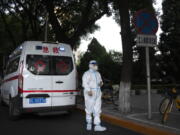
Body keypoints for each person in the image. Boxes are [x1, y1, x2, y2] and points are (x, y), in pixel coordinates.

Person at [82, 60, 107, 131]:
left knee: (97, 109)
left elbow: (100, 81)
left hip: (98, 92)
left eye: (96, 64)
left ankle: (97, 125)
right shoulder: (86, 74)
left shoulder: (98, 73)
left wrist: (101, 83)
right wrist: (88, 90)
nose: (96, 66)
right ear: (91, 65)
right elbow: (85, 83)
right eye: (95, 64)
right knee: (89, 108)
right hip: (90, 92)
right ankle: (89, 123)